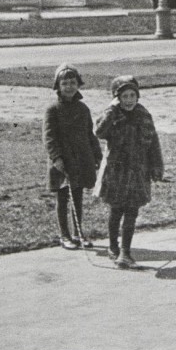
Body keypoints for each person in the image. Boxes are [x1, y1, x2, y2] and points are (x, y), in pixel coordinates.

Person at [94, 75, 164, 268]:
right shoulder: (112, 115)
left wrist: (157, 166)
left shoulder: (143, 115)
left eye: (132, 95)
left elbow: (153, 142)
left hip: (138, 171)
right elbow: (99, 132)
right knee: (116, 210)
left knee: (132, 210)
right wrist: (111, 112)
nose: (129, 100)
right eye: (124, 96)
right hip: (116, 172)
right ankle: (113, 246)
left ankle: (125, 251)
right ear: (117, 97)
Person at [42, 64, 102, 250]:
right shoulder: (52, 109)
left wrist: (96, 155)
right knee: (62, 198)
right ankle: (64, 235)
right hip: (62, 162)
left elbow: (89, 134)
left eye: (73, 83)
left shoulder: (83, 109)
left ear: (78, 84)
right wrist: (57, 158)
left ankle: (78, 233)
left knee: (77, 197)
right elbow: (49, 137)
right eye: (65, 83)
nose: (69, 87)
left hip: (81, 160)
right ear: (58, 86)